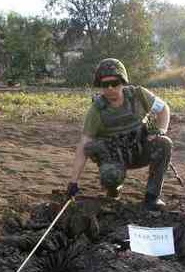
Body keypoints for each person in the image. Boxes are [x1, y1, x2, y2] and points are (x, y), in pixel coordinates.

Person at [66, 58, 173, 210]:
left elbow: (163, 109)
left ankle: (152, 197)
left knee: (164, 143)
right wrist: (73, 182)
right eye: (105, 85)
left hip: (140, 150)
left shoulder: (139, 95)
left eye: (115, 83)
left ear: (123, 82)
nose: (110, 88)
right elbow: (84, 144)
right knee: (110, 175)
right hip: (116, 158)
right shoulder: (97, 110)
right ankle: (113, 189)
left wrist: (161, 131)